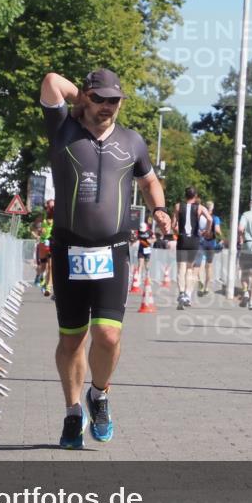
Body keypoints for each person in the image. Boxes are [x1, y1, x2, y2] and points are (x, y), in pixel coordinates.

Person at [40, 68, 171, 449]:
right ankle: (71, 412)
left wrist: (159, 208)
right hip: (68, 250)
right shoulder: (63, 128)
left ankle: (98, 395)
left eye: (115, 101)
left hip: (113, 251)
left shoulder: (132, 141)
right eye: (101, 100)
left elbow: (148, 180)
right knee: (72, 340)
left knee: (108, 335)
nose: (108, 107)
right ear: (87, 97)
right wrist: (80, 98)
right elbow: (50, 81)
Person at [171, 186, 211, 310]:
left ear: (185, 195)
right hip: (194, 239)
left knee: (180, 269)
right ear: (196, 196)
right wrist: (206, 231)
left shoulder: (178, 206)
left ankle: (182, 293)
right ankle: (188, 295)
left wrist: (178, 231)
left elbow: (173, 225)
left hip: (182, 239)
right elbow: (209, 219)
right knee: (190, 268)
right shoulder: (200, 208)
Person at [194, 200, 222, 297]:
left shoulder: (199, 217)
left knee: (197, 265)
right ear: (212, 208)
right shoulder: (215, 218)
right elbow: (218, 231)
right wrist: (221, 236)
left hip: (199, 242)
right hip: (210, 243)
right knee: (208, 266)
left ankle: (199, 282)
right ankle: (206, 287)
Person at [134, 219, 153, 287]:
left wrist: (150, 241)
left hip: (147, 249)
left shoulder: (149, 231)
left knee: (147, 265)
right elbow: (135, 238)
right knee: (140, 264)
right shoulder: (138, 231)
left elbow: (154, 238)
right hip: (141, 249)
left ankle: (148, 278)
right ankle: (138, 279)